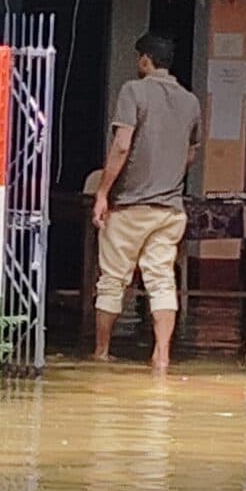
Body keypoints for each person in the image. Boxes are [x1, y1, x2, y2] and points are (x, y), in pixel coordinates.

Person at [91, 33, 200, 373]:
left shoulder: (133, 91)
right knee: (162, 280)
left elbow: (122, 145)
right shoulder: (191, 101)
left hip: (130, 207)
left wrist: (103, 192)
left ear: (145, 59)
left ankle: (101, 352)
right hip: (170, 211)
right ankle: (162, 355)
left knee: (112, 280)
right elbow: (190, 153)